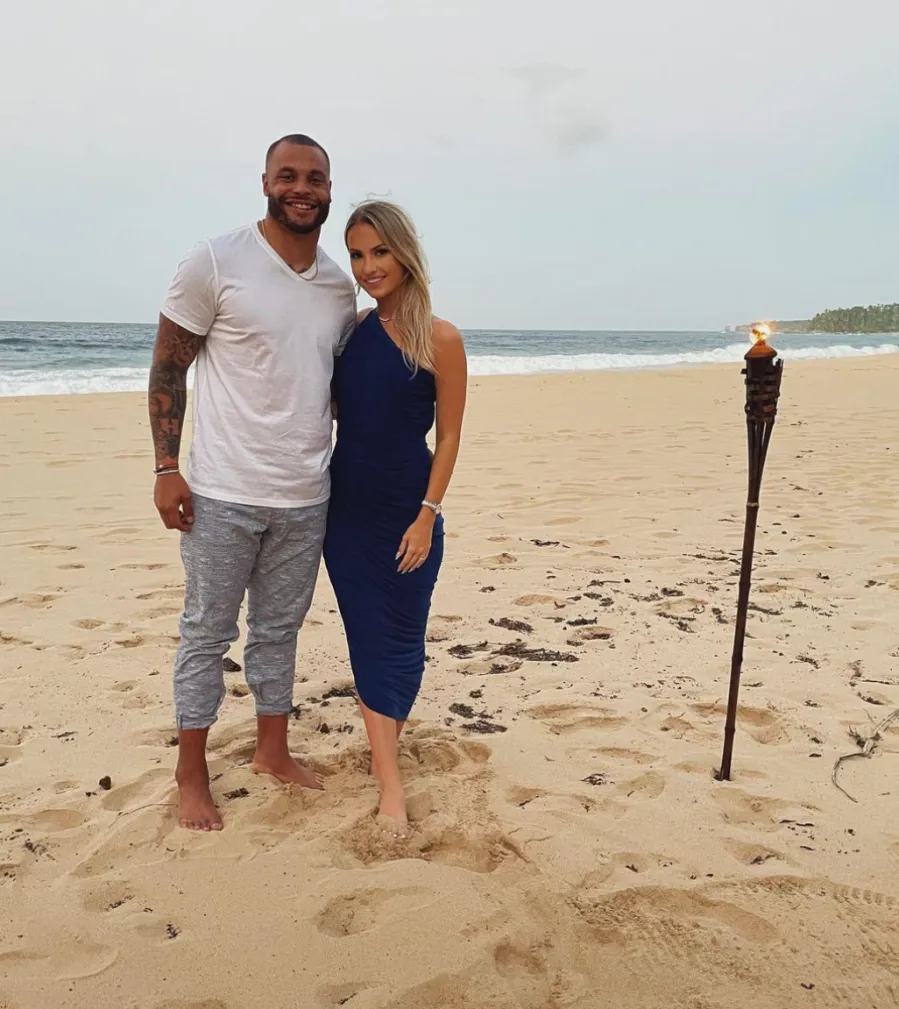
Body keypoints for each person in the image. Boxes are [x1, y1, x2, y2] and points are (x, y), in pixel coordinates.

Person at [148, 134, 356, 831]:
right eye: (288, 175)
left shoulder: (336, 283)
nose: (302, 187)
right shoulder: (216, 260)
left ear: (330, 188)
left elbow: (326, 385)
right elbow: (169, 368)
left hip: (305, 493)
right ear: (265, 181)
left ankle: (272, 751)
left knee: (278, 630)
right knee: (207, 632)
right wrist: (166, 467)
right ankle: (191, 772)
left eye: (316, 177)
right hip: (222, 491)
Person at [324, 201, 467, 836]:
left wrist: (427, 515)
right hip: (346, 513)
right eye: (357, 254)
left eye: (379, 252)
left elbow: (452, 435)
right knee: (366, 641)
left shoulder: (440, 337)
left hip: (410, 510)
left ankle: (386, 755)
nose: (368, 267)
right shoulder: (349, 333)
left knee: (404, 643)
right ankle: (390, 782)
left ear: (404, 253)